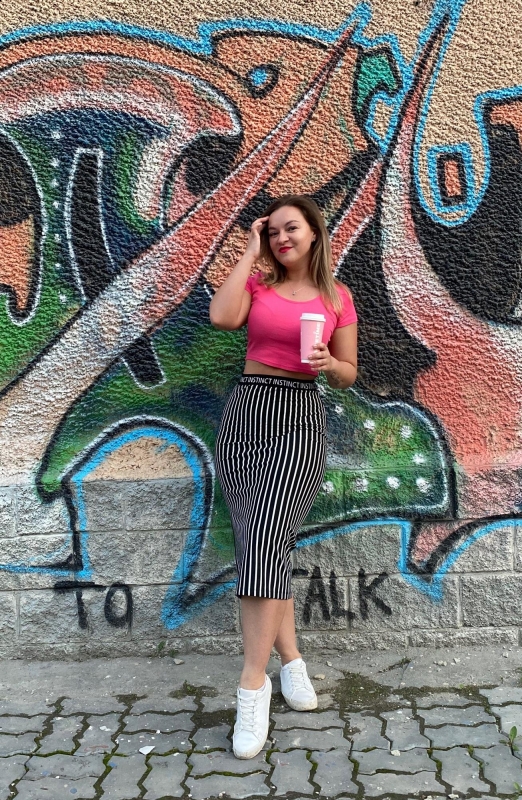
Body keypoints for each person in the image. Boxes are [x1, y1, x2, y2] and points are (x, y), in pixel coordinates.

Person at [209, 194, 357, 759]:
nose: (281, 238)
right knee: (262, 545)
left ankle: (253, 686)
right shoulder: (258, 285)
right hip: (247, 413)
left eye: (290, 228)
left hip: (299, 417)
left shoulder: (337, 297)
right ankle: (291, 661)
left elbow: (347, 373)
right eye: (272, 231)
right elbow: (222, 318)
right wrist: (249, 250)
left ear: (314, 232)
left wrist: (330, 365)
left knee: (267, 540)